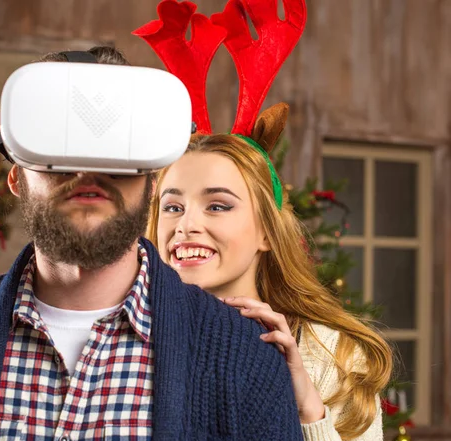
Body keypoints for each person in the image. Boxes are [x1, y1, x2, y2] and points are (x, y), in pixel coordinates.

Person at [0, 47, 303, 441]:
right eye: (58, 146)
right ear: (15, 176)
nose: (87, 173)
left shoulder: (244, 357)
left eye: (115, 154)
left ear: (152, 181)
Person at [146, 103, 393, 440]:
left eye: (217, 206)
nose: (186, 226)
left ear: (265, 231)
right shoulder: (130, 333)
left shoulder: (334, 355)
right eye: (173, 207)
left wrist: (307, 405)